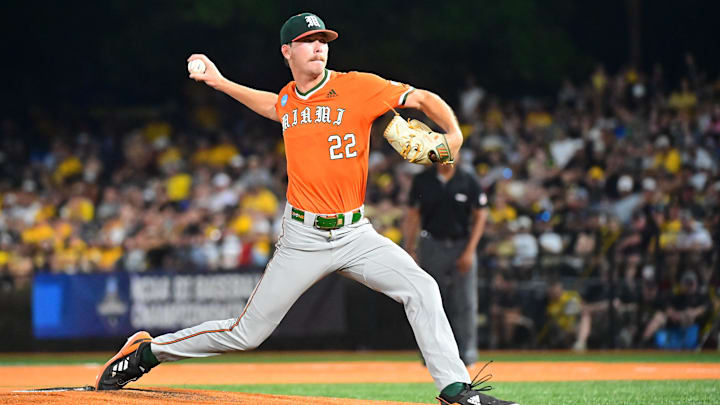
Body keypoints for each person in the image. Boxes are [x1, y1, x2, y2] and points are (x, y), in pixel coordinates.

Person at [94, 12, 518, 405]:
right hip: (304, 237)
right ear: (287, 52)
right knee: (247, 334)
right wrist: (220, 82)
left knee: (421, 288)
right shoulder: (289, 99)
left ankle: (455, 388)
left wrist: (454, 133)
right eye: (307, 40)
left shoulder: (358, 87)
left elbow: (422, 99)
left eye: (323, 40)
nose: (318, 46)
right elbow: (273, 105)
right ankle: (148, 352)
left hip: (356, 234)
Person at [403, 157, 489, 366]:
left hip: (461, 243)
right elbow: (413, 215)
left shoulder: (467, 180)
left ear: (458, 155)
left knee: (466, 301)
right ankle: (431, 354)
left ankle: (467, 354)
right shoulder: (423, 180)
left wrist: (470, 250)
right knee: (429, 299)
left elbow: (481, 215)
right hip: (431, 242)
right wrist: (410, 248)